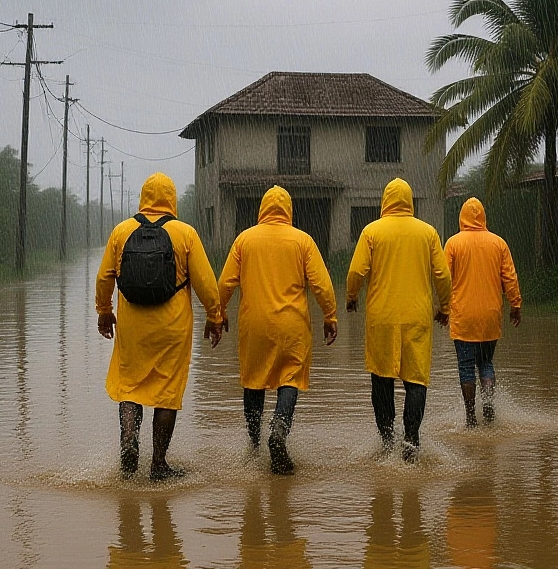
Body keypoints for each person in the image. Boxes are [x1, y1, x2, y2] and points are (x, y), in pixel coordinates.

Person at [96, 172, 223, 482]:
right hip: (172, 326)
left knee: (130, 385)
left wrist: (104, 311)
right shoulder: (185, 233)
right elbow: (206, 282)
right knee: (166, 393)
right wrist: (215, 316)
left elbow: (104, 277)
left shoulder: (122, 231)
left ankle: (129, 438)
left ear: (143, 197)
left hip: (132, 325)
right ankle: (159, 464)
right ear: (171, 199)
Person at [218, 185, 338, 475]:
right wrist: (330, 316)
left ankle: (254, 445)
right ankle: (279, 429)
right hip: (292, 325)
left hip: (254, 325)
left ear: (262, 209)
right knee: (291, 377)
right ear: (288, 210)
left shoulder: (244, 240)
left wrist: (217, 313)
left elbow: (225, 283)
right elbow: (321, 284)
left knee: (253, 380)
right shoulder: (303, 241)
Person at [346, 178, 451, 462]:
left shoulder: (372, 231)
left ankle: (387, 440)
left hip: (382, 317)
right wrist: (445, 307)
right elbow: (442, 276)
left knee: (382, 379)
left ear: (385, 201)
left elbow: (356, 271)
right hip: (417, 318)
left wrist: (352, 296)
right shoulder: (428, 233)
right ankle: (411, 440)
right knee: (416, 380)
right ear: (409, 201)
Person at [443, 197, 521, 426]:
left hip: (463, 316)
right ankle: (488, 406)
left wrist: (442, 309)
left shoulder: (453, 243)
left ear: (462, 217)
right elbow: (510, 277)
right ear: (483, 217)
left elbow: (444, 280)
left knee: (466, 367)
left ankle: (470, 417)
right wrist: (515, 305)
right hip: (490, 315)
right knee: (486, 363)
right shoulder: (499, 243)